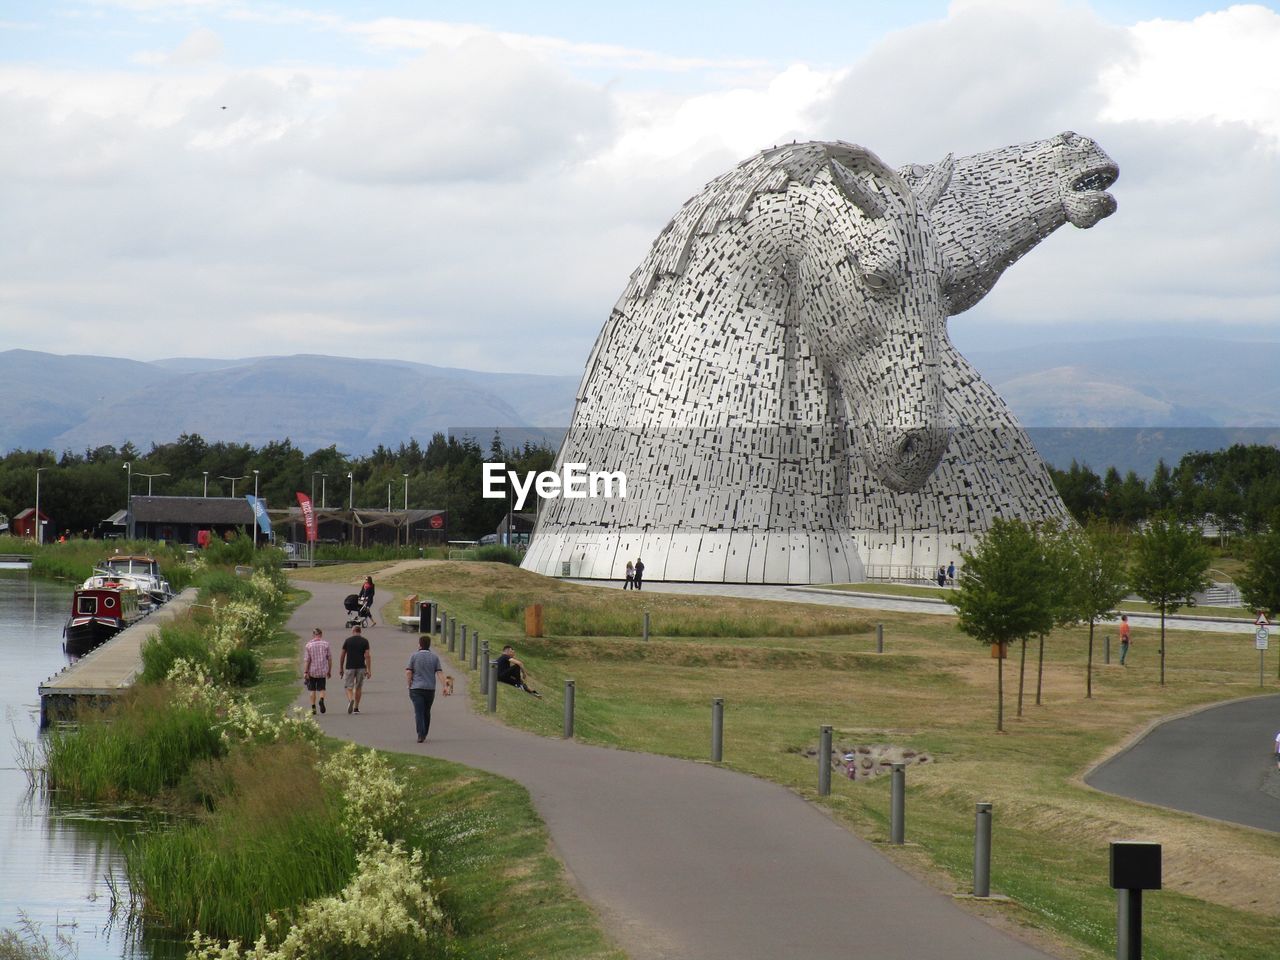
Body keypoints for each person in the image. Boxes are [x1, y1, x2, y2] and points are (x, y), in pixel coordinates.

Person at [405, 635, 445, 743]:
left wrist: (409, 684)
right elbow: (439, 672)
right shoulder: (434, 657)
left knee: (418, 711)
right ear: (429, 645)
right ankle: (425, 732)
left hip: (416, 688)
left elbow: (409, 671)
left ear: (419, 644)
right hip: (429, 689)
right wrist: (444, 686)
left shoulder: (414, 656)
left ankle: (420, 734)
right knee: (426, 711)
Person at [340, 624, 372, 714]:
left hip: (350, 666)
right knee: (358, 687)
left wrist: (341, 668)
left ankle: (351, 700)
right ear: (360, 632)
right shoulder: (365, 641)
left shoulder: (348, 641)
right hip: (361, 667)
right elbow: (367, 656)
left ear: (353, 631)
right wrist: (369, 670)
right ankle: (356, 708)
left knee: (348, 686)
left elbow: (342, 655)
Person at [302, 627, 332, 714]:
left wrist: (305, 672)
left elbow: (307, 660)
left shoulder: (308, 645)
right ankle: (321, 700)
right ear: (321, 635)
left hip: (312, 671)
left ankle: (313, 708)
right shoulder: (326, 644)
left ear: (313, 635)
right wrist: (329, 671)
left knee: (312, 690)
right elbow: (329, 659)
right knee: (322, 688)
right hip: (322, 671)